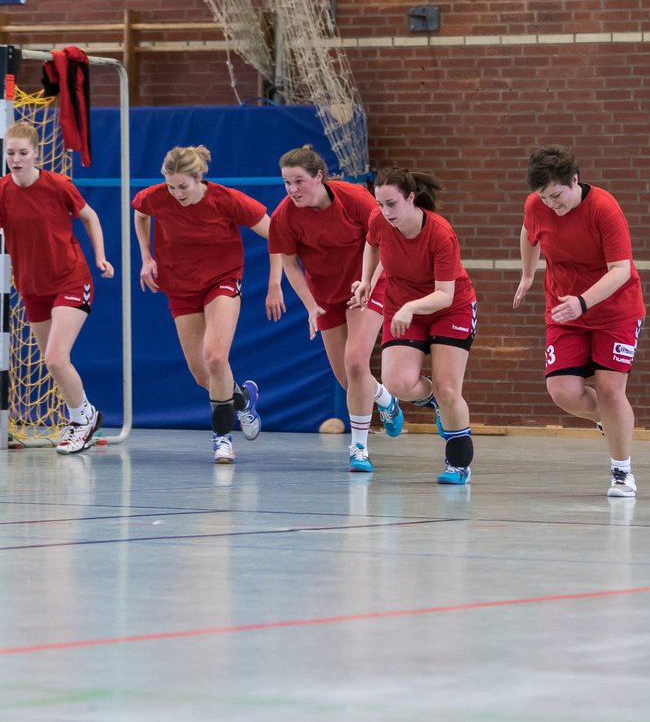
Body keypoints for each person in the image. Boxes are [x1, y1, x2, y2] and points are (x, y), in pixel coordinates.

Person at [0, 120, 112, 455]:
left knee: (57, 359)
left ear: (36, 154)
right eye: (10, 153)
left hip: (71, 279)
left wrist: (100, 256)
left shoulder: (58, 185)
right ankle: (85, 415)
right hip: (32, 287)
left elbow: (90, 217)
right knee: (51, 360)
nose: (16, 159)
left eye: (23, 153)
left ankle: (82, 419)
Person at [132, 145, 283, 464]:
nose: (176, 194)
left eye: (182, 187)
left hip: (222, 281)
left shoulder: (227, 200)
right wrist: (146, 256)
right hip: (180, 286)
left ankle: (222, 438)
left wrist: (274, 284)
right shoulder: (158, 196)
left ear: (199, 176)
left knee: (216, 356)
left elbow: (278, 236)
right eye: (171, 186)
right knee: (203, 375)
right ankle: (244, 400)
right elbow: (141, 213)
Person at [513, 146, 646, 497]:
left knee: (609, 389)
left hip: (613, 310)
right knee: (562, 391)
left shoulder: (604, 208)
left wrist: (584, 301)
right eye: (544, 198)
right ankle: (611, 422)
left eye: (557, 196)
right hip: (564, 309)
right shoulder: (535, 206)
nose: (552, 205)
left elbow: (622, 271)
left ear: (574, 179)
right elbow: (529, 235)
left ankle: (622, 472)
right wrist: (528, 274)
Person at [268, 145, 403, 473]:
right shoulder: (284, 216)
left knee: (356, 362)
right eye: (287, 182)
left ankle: (359, 448)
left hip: (366, 285)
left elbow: (384, 241)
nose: (292, 189)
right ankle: (385, 398)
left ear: (319, 177)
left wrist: (367, 281)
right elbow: (290, 263)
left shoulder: (354, 198)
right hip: (326, 296)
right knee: (348, 379)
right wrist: (311, 305)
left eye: (299, 181)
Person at [351, 168, 476, 485]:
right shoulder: (380, 222)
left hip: (450, 308)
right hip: (404, 307)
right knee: (397, 383)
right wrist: (367, 280)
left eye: (391, 203)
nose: (385, 212)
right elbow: (371, 243)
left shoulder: (440, 233)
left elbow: (445, 295)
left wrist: (410, 307)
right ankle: (433, 401)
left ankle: (458, 464)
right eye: (380, 204)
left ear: (411, 198)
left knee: (450, 388)